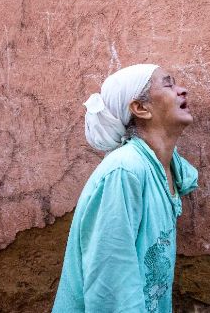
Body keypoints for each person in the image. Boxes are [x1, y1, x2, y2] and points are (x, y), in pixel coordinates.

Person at [53, 64, 198, 313]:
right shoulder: (124, 171)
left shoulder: (166, 168)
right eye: (168, 84)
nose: (182, 90)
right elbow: (111, 282)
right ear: (140, 108)